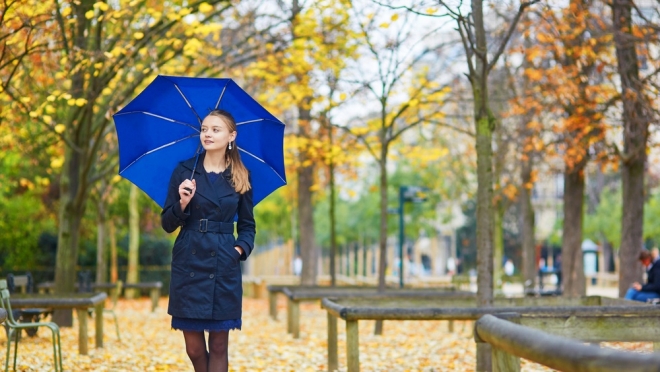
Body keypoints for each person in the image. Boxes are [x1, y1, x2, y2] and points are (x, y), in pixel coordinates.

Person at [161, 109, 255, 372]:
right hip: (188, 261)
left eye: (216, 129)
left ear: (231, 136)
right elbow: (167, 224)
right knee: (193, 348)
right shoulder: (184, 171)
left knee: (218, 347)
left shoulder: (241, 175)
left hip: (223, 263)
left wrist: (237, 250)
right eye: (204, 129)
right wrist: (182, 202)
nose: (208, 134)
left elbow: (248, 226)